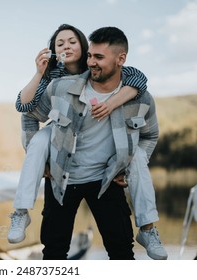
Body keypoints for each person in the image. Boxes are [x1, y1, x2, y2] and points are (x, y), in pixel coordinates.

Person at [13, 26, 164, 259]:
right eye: (59, 44)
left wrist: (114, 103)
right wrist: (38, 74)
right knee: (53, 252)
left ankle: (148, 228)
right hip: (61, 172)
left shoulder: (136, 93)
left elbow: (147, 125)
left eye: (98, 57)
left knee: (121, 251)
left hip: (106, 179)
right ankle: (21, 211)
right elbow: (26, 110)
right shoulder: (54, 81)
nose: (92, 62)